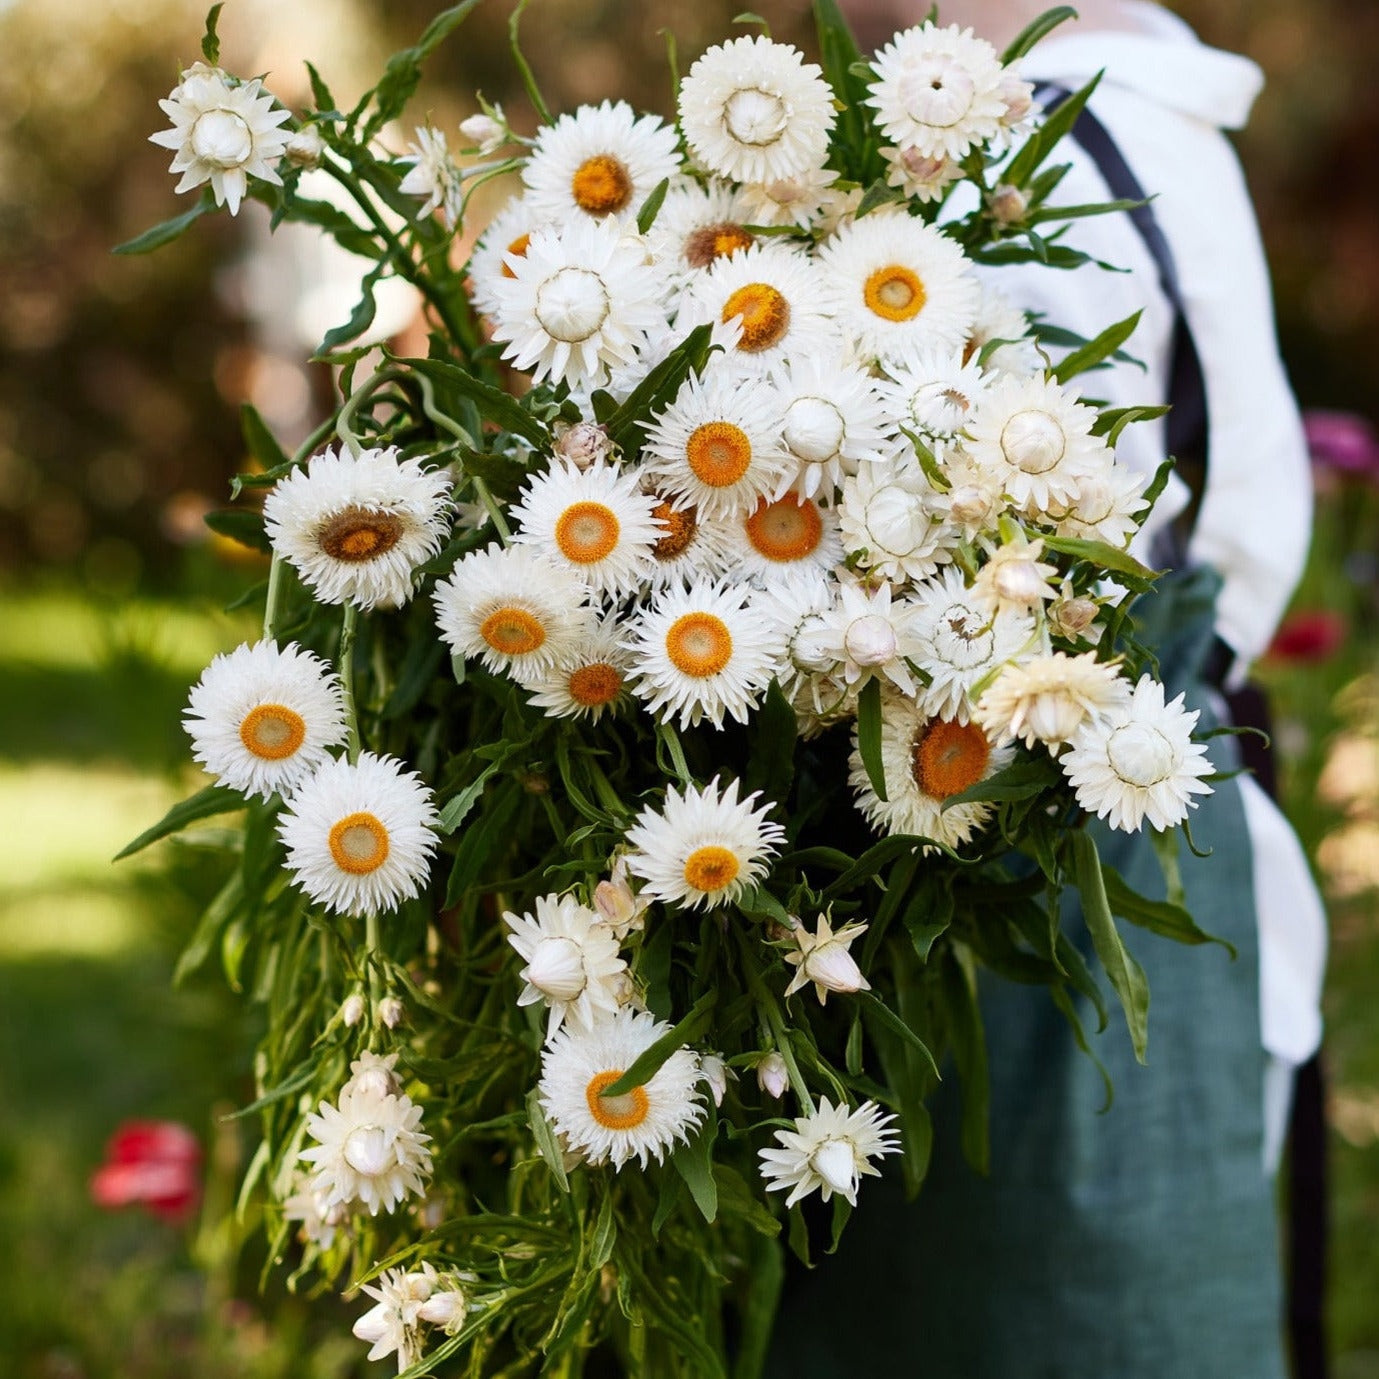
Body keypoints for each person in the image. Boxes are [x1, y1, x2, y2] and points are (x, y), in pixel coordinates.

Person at [766, 3, 1329, 1375]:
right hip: (1152, 853)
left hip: (1043, 900)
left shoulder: (1050, 141)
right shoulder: (1158, 118)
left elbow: (989, 542)